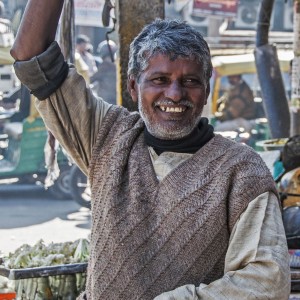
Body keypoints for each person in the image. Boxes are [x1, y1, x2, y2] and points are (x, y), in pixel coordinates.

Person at [10, 1, 290, 299]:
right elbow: (31, 57)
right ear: (133, 86)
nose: (175, 94)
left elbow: (267, 281)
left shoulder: (241, 171)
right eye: (160, 80)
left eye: (190, 81)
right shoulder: (106, 136)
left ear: (206, 90)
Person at [90, 40, 117, 104]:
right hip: (116, 98)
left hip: (106, 101)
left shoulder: (104, 66)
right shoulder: (117, 64)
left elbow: (91, 79)